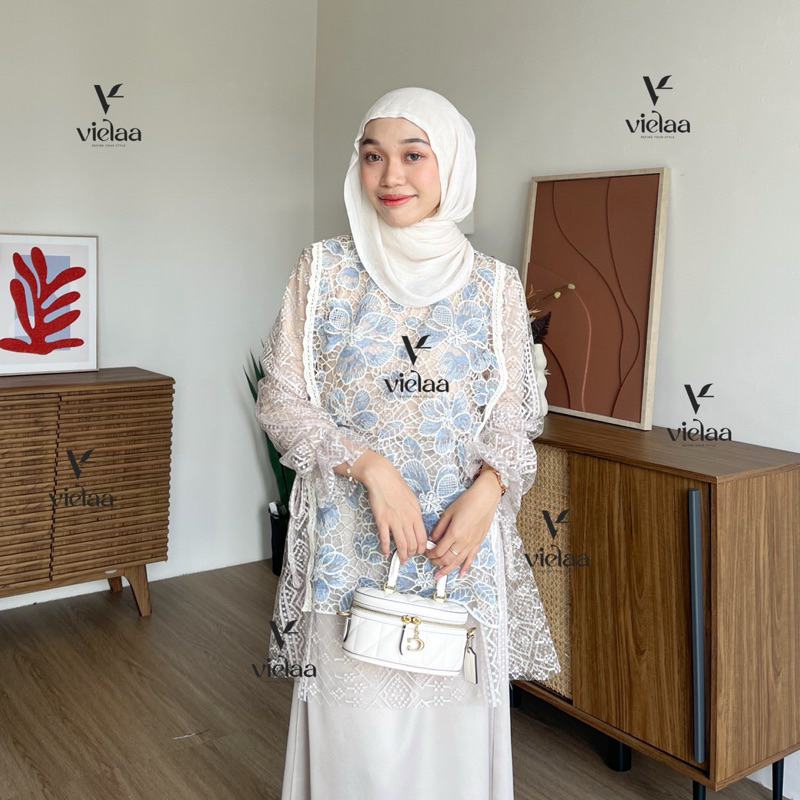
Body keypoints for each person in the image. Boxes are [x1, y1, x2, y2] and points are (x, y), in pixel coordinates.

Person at [255, 86, 560, 800]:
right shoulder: (323, 270)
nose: (390, 175)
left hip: (462, 549)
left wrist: (488, 495)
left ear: (450, 162)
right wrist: (370, 468)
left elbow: (514, 416)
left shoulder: (495, 286)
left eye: (413, 155)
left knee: (452, 742)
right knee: (357, 744)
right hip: (349, 546)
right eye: (373, 156)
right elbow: (281, 400)